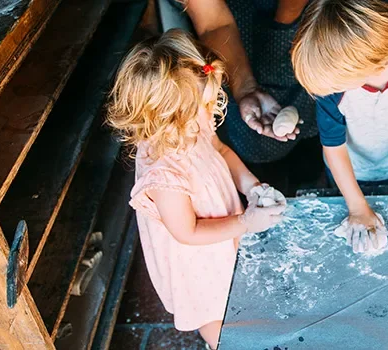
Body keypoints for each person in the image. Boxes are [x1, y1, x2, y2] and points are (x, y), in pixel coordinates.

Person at [107, 30, 286, 349]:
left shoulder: (191, 123)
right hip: (196, 259)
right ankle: (222, 343)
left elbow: (220, 150)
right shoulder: (163, 171)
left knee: (232, 289)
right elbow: (186, 232)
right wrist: (246, 223)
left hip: (221, 232)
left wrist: (252, 186)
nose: (209, 114)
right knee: (213, 313)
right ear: (167, 115)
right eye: (202, 106)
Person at [291, 0, 388, 253]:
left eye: (339, 81)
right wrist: (356, 207)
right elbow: (334, 147)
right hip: (349, 168)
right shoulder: (332, 90)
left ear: (368, 66)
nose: (331, 88)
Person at [165, 0, 320, 167]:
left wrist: (283, 26)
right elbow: (214, 24)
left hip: (294, 10)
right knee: (252, 140)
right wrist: (245, 89)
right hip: (242, 14)